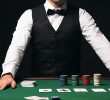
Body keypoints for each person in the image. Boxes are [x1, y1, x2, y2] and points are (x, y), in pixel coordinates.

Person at [0, 0, 110, 90]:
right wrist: (7, 74)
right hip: (38, 84)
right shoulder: (28, 15)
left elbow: (101, 44)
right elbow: (17, 47)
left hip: (72, 85)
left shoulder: (82, 15)